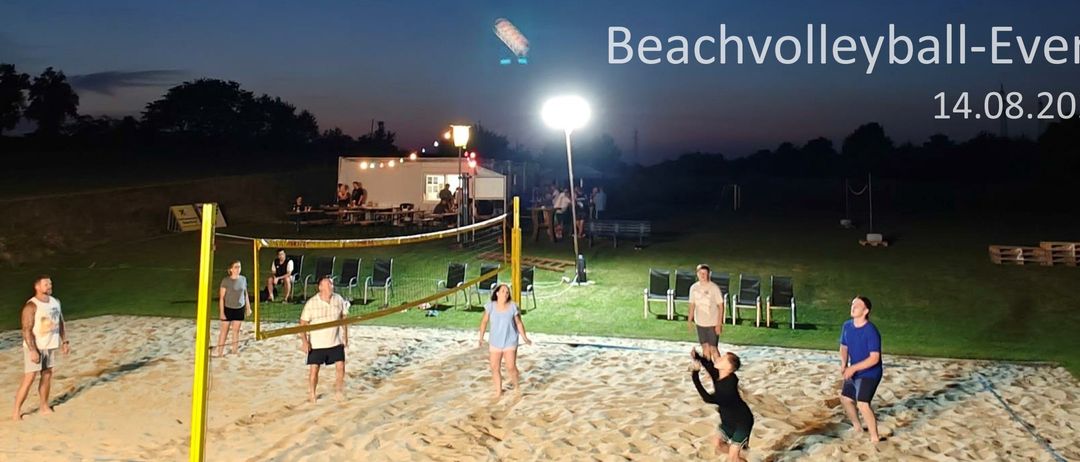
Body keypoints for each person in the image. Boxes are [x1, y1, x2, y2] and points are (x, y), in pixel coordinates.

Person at [13, 275, 69, 421]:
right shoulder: (32, 305)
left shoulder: (55, 302)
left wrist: (65, 341)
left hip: (50, 345)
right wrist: (33, 350)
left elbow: (60, 322)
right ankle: (16, 411)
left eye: (50, 284)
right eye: (46, 284)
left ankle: (44, 406)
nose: (49, 286)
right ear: (37, 287)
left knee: (47, 374)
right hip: (35, 346)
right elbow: (26, 329)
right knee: (30, 377)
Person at [690, 348, 753, 462]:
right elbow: (709, 365)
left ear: (728, 368)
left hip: (742, 422)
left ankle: (736, 455)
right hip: (728, 421)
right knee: (717, 444)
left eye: (723, 359)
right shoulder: (720, 374)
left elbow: (707, 398)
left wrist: (695, 375)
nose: (719, 358)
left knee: (733, 458)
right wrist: (697, 357)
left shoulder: (728, 386)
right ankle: (739, 455)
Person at [839, 295, 883, 443]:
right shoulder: (847, 326)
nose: (853, 307)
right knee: (846, 399)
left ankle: (874, 438)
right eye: (852, 304)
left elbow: (874, 358)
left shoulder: (871, 331)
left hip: (870, 372)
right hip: (854, 369)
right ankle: (857, 427)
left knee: (863, 404)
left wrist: (853, 368)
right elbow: (843, 346)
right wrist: (844, 364)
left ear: (865, 311)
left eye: (857, 306)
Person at [299, 277, 350, 403]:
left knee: (340, 366)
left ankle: (338, 392)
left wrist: (345, 336)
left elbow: (344, 318)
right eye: (328, 285)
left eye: (331, 284)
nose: (331, 287)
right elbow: (302, 324)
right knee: (314, 370)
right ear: (320, 287)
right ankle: (312, 394)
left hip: (335, 341)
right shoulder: (312, 303)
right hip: (317, 344)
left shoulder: (338, 299)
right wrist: (304, 342)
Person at [477, 284, 531, 398]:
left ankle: (517, 387)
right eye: (503, 291)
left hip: (510, 340)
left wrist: (524, 337)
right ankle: (498, 391)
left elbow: (518, 323)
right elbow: (484, 322)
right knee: (494, 367)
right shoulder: (491, 306)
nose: (505, 294)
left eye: (507, 292)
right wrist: (481, 337)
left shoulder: (512, 307)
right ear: (497, 293)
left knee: (511, 366)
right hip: (495, 341)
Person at [687, 264, 725, 361]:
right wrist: (689, 320)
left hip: (712, 323)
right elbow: (692, 304)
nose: (703, 275)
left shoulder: (714, 288)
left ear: (708, 274)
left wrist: (719, 324)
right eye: (701, 273)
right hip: (700, 323)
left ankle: (719, 367)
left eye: (705, 273)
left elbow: (721, 306)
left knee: (713, 348)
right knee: (705, 347)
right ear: (697, 274)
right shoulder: (693, 288)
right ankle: (708, 368)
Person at [215, 261, 252, 357]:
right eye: (236, 267)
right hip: (228, 308)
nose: (238, 269)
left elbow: (245, 294)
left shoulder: (243, 279)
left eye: (239, 267)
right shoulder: (226, 281)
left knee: (236, 331)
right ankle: (220, 352)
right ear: (231, 269)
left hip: (239, 308)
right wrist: (222, 312)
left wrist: (248, 307)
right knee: (224, 331)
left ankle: (234, 351)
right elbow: (222, 298)